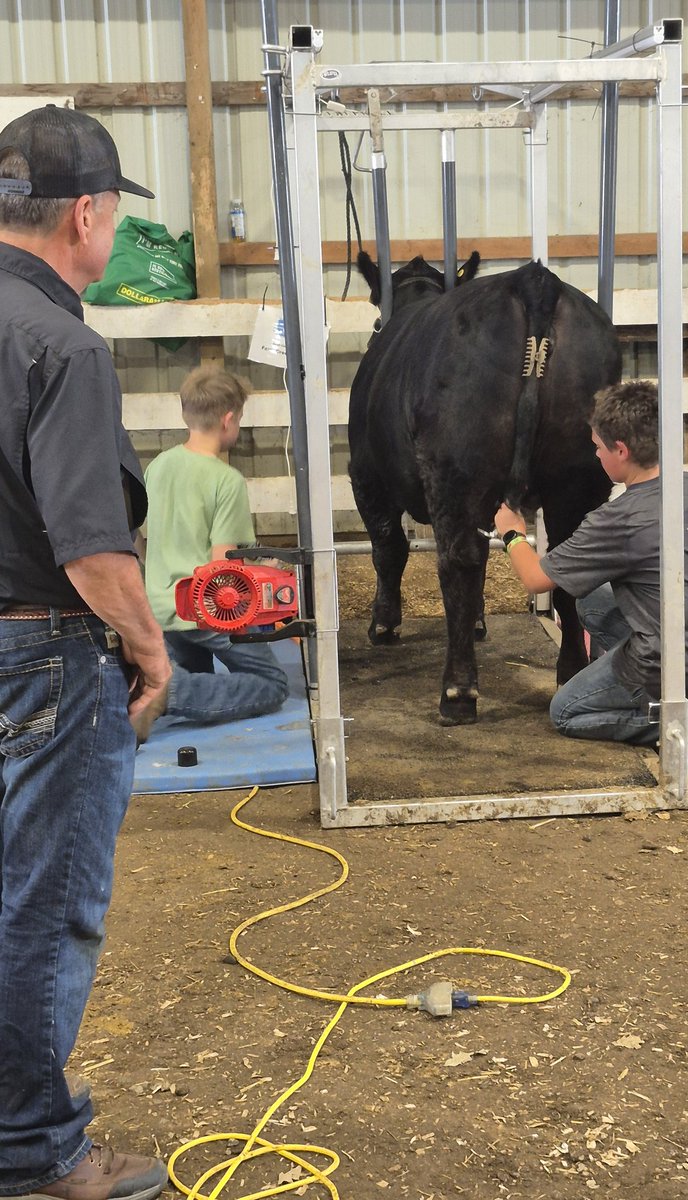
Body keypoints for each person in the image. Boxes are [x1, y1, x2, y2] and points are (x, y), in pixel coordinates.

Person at [0, 107, 171, 1199]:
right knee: (45, 899)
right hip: (45, 653)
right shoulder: (61, 342)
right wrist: (148, 649)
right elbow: (91, 544)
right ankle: (32, 1151)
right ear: (90, 213)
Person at [494, 380, 688, 778]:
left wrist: (512, 532)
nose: (595, 453)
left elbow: (536, 579)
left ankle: (684, 719)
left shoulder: (616, 520)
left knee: (566, 712)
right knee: (591, 597)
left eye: (598, 447)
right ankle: (674, 690)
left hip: (678, 662)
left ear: (621, 451)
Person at [136, 365, 289, 743]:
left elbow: (141, 541)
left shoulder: (157, 467)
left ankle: (169, 684)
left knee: (200, 673)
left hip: (159, 610)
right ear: (228, 420)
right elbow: (221, 570)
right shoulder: (226, 480)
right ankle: (170, 692)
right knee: (273, 684)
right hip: (202, 614)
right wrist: (263, 569)